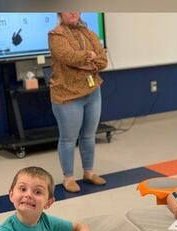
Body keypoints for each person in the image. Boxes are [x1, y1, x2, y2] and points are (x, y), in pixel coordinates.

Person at [47, 12, 108, 193]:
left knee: (89, 136)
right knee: (68, 139)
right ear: (60, 13)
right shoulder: (56, 35)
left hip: (92, 91)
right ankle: (69, 178)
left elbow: (103, 60)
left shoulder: (88, 32)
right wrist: (89, 56)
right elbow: (69, 57)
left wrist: (85, 59)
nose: (73, 12)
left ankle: (88, 172)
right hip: (67, 96)